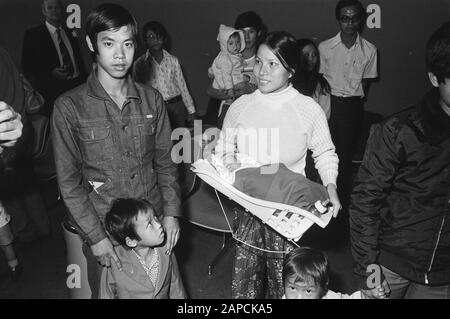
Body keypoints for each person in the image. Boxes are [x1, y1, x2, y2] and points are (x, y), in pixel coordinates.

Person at [51, 3, 181, 298]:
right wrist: (96, 237)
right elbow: (69, 183)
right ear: (91, 44)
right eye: (109, 43)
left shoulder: (153, 100)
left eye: (128, 44)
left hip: (152, 225)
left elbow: (166, 164)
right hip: (105, 233)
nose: (120, 55)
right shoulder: (69, 107)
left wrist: (171, 214)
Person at [214, 31, 341, 299]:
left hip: (287, 211)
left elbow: (325, 152)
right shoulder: (241, 106)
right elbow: (224, 148)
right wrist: (228, 166)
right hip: (248, 207)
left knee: (285, 284)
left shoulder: (307, 108)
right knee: (245, 285)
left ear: (291, 70)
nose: (262, 71)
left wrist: (331, 186)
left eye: (273, 64)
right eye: (259, 62)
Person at [350, 21, 450, 299]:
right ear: (434, 78)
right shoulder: (397, 131)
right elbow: (364, 202)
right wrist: (367, 270)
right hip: (390, 263)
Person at [318, 0, 378, 206]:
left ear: (360, 20)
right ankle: (317, 198)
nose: (349, 23)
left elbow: (366, 82)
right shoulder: (325, 48)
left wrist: (352, 101)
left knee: (343, 158)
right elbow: (319, 83)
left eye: (354, 18)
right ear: (338, 20)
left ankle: (338, 204)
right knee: (322, 152)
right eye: (345, 18)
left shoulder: (369, 50)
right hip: (328, 105)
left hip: (352, 108)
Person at [100, 198, 186, 299]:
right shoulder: (115, 261)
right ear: (132, 241)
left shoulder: (167, 250)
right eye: (150, 224)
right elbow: (106, 294)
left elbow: (176, 287)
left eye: (155, 218)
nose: (158, 225)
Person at [21, 0, 85, 116]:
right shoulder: (33, 35)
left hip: (76, 88)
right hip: (52, 93)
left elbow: (78, 61)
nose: (54, 10)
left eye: (57, 7)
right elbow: (27, 67)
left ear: (62, 10)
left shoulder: (70, 32)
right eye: (50, 8)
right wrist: (51, 73)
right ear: (43, 11)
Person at [205, 11, 265, 128]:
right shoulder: (226, 57)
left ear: (259, 33)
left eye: (251, 32)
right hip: (228, 117)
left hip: (254, 118)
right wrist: (235, 92)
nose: (246, 37)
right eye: (243, 32)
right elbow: (210, 90)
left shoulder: (264, 59)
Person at [133, 21, 196, 129]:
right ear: (145, 40)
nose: (155, 40)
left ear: (164, 38)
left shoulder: (173, 60)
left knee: (182, 139)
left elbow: (183, 87)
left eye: (158, 36)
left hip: (176, 106)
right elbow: (137, 91)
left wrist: (192, 111)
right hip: (155, 108)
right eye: (151, 36)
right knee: (163, 141)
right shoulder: (140, 63)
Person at [282, 247, 388, 299]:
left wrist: (365, 296)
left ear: (323, 287)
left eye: (308, 291)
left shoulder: (328, 296)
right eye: (292, 288)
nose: (298, 298)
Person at [210, 25, 246, 111]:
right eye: (231, 43)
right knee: (231, 100)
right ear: (224, 45)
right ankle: (225, 112)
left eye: (237, 42)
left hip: (232, 79)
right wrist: (229, 89)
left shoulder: (233, 55)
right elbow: (226, 75)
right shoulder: (225, 58)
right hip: (225, 84)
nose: (235, 46)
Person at [296, 38, 331, 120]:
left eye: (314, 55)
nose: (311, 59)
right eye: (307, 55)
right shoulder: (285, 80)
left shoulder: (321, 84)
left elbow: (324, 116)